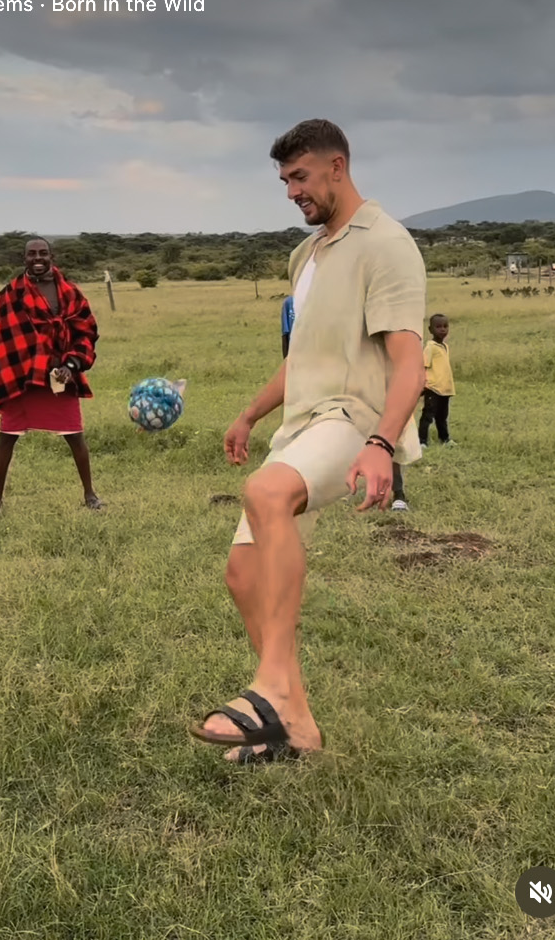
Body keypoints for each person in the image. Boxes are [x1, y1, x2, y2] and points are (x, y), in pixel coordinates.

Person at [190, 119, 425, 763]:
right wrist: (249, 414)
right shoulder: (307, 256)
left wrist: (380, 443)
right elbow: (300, 359)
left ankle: (272, 690)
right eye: (285, 180)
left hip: (351, 420)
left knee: (266, 492)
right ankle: (297, 727)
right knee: (242, 574)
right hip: (301, 423)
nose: (292, 191)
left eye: (301, 176)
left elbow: (410, 364)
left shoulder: (387, 245)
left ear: (338, 168)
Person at [0, 238, 103, 513]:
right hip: (19, 375)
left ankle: (90, 495)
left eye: (43, 253)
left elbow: (86, 333)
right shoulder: (10, 294)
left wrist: (72, 365)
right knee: (6, 437)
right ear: (24, 258)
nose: (37, 258)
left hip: (60, 375)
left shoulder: (70, 292)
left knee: (75, 434)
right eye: (32, 254)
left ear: (52, 255)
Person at [284, 286, 410, 510]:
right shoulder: (300, 305)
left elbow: (403, 355)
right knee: (346, 434)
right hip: (340, 385)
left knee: (390, 441)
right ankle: (350, 487)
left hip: (381, 385)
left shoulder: (380, 304)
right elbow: (293, 344)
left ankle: (398, 494)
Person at [419, 313, 456, 447]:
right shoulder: (430, 347)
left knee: (442, 417)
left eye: (445, 326)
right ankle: (422, 441)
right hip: (433, 388)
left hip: (445, 389)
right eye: (438, 326)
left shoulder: (445, 346)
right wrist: (422, 386)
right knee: (428, 416)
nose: (442, 329)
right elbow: (423, 366)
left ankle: (444, 439)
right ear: (430, 330)